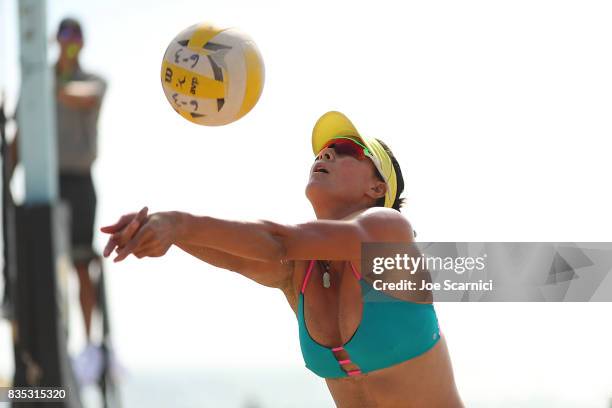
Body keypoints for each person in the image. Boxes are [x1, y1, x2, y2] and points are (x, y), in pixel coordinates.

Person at [101, 111, 464, 407]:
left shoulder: (389, 231)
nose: (325, 153)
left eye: (345, 148)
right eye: (322, 150)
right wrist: (163, 229)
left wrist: (178, 224)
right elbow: (237, 255)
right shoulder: (302, 270)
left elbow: (279, 241)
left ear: (377, 188)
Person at [9, 17, 107, 385]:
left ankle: (89, 345)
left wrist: (50, 80)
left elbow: (80, 98)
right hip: (40, 186)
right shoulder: (39, 83)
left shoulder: (90, 81)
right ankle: (54, 344)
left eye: (74, 37)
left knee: (82, 264)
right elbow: (20, 132)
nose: (69, 43)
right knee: (43, 270)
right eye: (63, 36)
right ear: (54, 40)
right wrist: (7, 181)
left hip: (78, 183)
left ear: (82, 42)